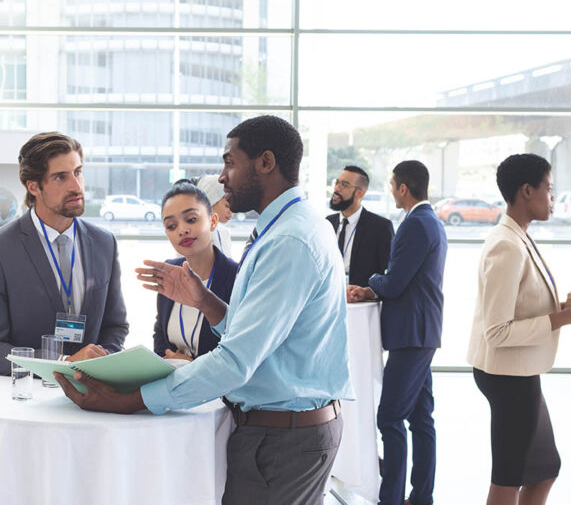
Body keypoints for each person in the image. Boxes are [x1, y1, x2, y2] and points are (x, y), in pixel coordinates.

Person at [54, 115, 354, 505]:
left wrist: (129, 400)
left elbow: (235, 361)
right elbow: (261, 338)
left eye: (230, 162)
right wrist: (204, 301)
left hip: (283, 438)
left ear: (265, 163)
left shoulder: (290, 240)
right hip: (279, 432)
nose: (223, 177)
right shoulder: (286, 227)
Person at [466, 153, 571, 505]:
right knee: (509, 475)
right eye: (550, 189)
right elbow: (497, 331)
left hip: (518, 373)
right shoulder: (508, 245)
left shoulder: (518, 237)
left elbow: (520, 304)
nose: (553, 199)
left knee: (544, 468)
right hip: (506, 375)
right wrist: (565, 318)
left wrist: (562, 308)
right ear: (527, 191)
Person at [347, 160, 447, 505]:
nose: (391, 191)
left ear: (403, 187)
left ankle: (391, 498)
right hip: (420, 332)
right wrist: (376, 287)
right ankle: (421, 497)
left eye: (392, 185)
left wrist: (371, 282)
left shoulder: (416, 225)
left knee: (389, 417)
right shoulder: (429, 222)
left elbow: (394, 281)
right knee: (420, 419)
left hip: (411, 335)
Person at [0, 132, 128, 375]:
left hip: (91, 393)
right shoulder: (4, 248)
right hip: (28, 397)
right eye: (60, 177)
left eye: (78, 172)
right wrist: (63, 362)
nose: (76, 186)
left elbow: (116, 325)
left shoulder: (104, 243)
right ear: (34, 186)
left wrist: (100, 363)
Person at [153, 181, 238, 360]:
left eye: (191, 219)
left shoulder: (236, 277)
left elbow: (240, 350)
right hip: (173, 383)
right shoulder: (170, 271)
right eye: (171, 226)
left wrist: (190, 366)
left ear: (213, 221)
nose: (182, 230)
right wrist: (168, 358)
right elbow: (160, 336)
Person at [326, 165, 394, 287]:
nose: (336, 188)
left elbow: (388, 273)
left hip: (362, 302)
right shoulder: (328, 223)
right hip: (330, 298)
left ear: (359, 194)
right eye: (337, 183)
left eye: (344, 185)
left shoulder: (380, 227)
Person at [196, 174, 233, 258]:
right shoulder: (195, 234)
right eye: (227, 206)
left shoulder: (224, 233)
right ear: (210, 201)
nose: (231, 212)